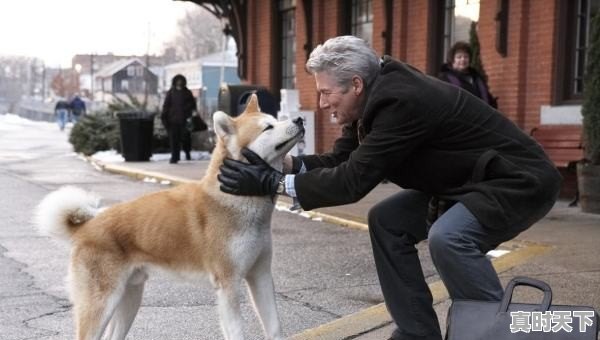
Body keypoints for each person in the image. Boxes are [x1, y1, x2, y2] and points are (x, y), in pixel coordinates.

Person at [217, 36, 561, 340]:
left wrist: (272, 183)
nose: (322, 104)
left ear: (355, 84)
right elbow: (342, 161)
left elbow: (352, 182)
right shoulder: (371, 97)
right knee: (387, 220)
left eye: (325, 93)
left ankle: (492, 332)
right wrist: (282, 166)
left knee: (450, 238)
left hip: (517, 181)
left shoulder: (400, 101)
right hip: (467, 183)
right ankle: (416, 333)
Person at [439, 41, 497, 109]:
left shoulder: (477, 77)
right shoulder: (445, 79)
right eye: (459, 57)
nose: (463, 59)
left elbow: (487, 98)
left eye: (466, 57)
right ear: (452, 60)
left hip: (481, 116)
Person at [161, 74, 196, 164]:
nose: (179, 82)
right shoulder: (171, 93)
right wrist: (164, 116)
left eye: (181, 81)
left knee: (186, 138)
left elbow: (193, 105)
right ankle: (174, 157)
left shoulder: (187, 92)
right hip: (173, 121)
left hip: (185, 120)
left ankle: (187, 152)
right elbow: (166, 105)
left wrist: (188, 111)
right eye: (177, 81)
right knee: (174, 140)